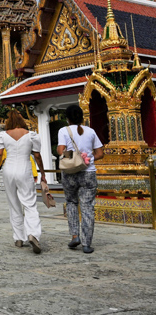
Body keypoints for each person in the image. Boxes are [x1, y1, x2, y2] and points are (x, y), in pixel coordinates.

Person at [0, 110, 46, 254]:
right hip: (24, 168)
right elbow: (37, 156)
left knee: (14, 203)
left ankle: (19, 237)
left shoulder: (3, 135)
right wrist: (43, 173)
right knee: (29, 203)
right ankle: (33, 234)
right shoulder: (31, 135)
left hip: (8, 169)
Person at [57, 105, 104, 254]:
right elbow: (100, 153)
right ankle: (86, 244)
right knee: (87, 206)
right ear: (82, 117)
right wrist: (87, 159)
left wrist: (74, 157)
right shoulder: (91, 131)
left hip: (70, 172)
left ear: (68, 118)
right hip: (88, 172)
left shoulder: (64, 130)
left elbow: (60, 151)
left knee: (71, 202)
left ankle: (75, 235)